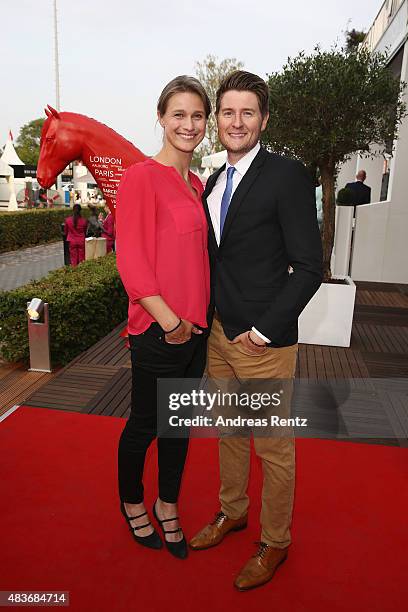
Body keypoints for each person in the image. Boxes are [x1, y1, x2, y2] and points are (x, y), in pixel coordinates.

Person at [189, 71, 323, 590]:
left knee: (273, 448)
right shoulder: (213, 181)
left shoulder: (288, 176)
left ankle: (275, 542)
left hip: (262, 344)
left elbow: (310, 266)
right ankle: (232, 512)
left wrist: (266, 330)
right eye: (228, 112)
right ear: (217, 119)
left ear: (263, 119)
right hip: (219, 337)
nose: (236, 121)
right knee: (228, 435)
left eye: (248, 112)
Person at [115, 76, 211, 559]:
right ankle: (132, 502)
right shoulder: (140, 176)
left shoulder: (195, 183)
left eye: (197, 116)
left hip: (195, 332)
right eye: (179, 114)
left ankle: (167, 503)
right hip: (159, 331)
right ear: (161, 117)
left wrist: (192, 325)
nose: (188, 125)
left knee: (179, 426)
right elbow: (131, 261)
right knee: (146, 425)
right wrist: (170, 322)